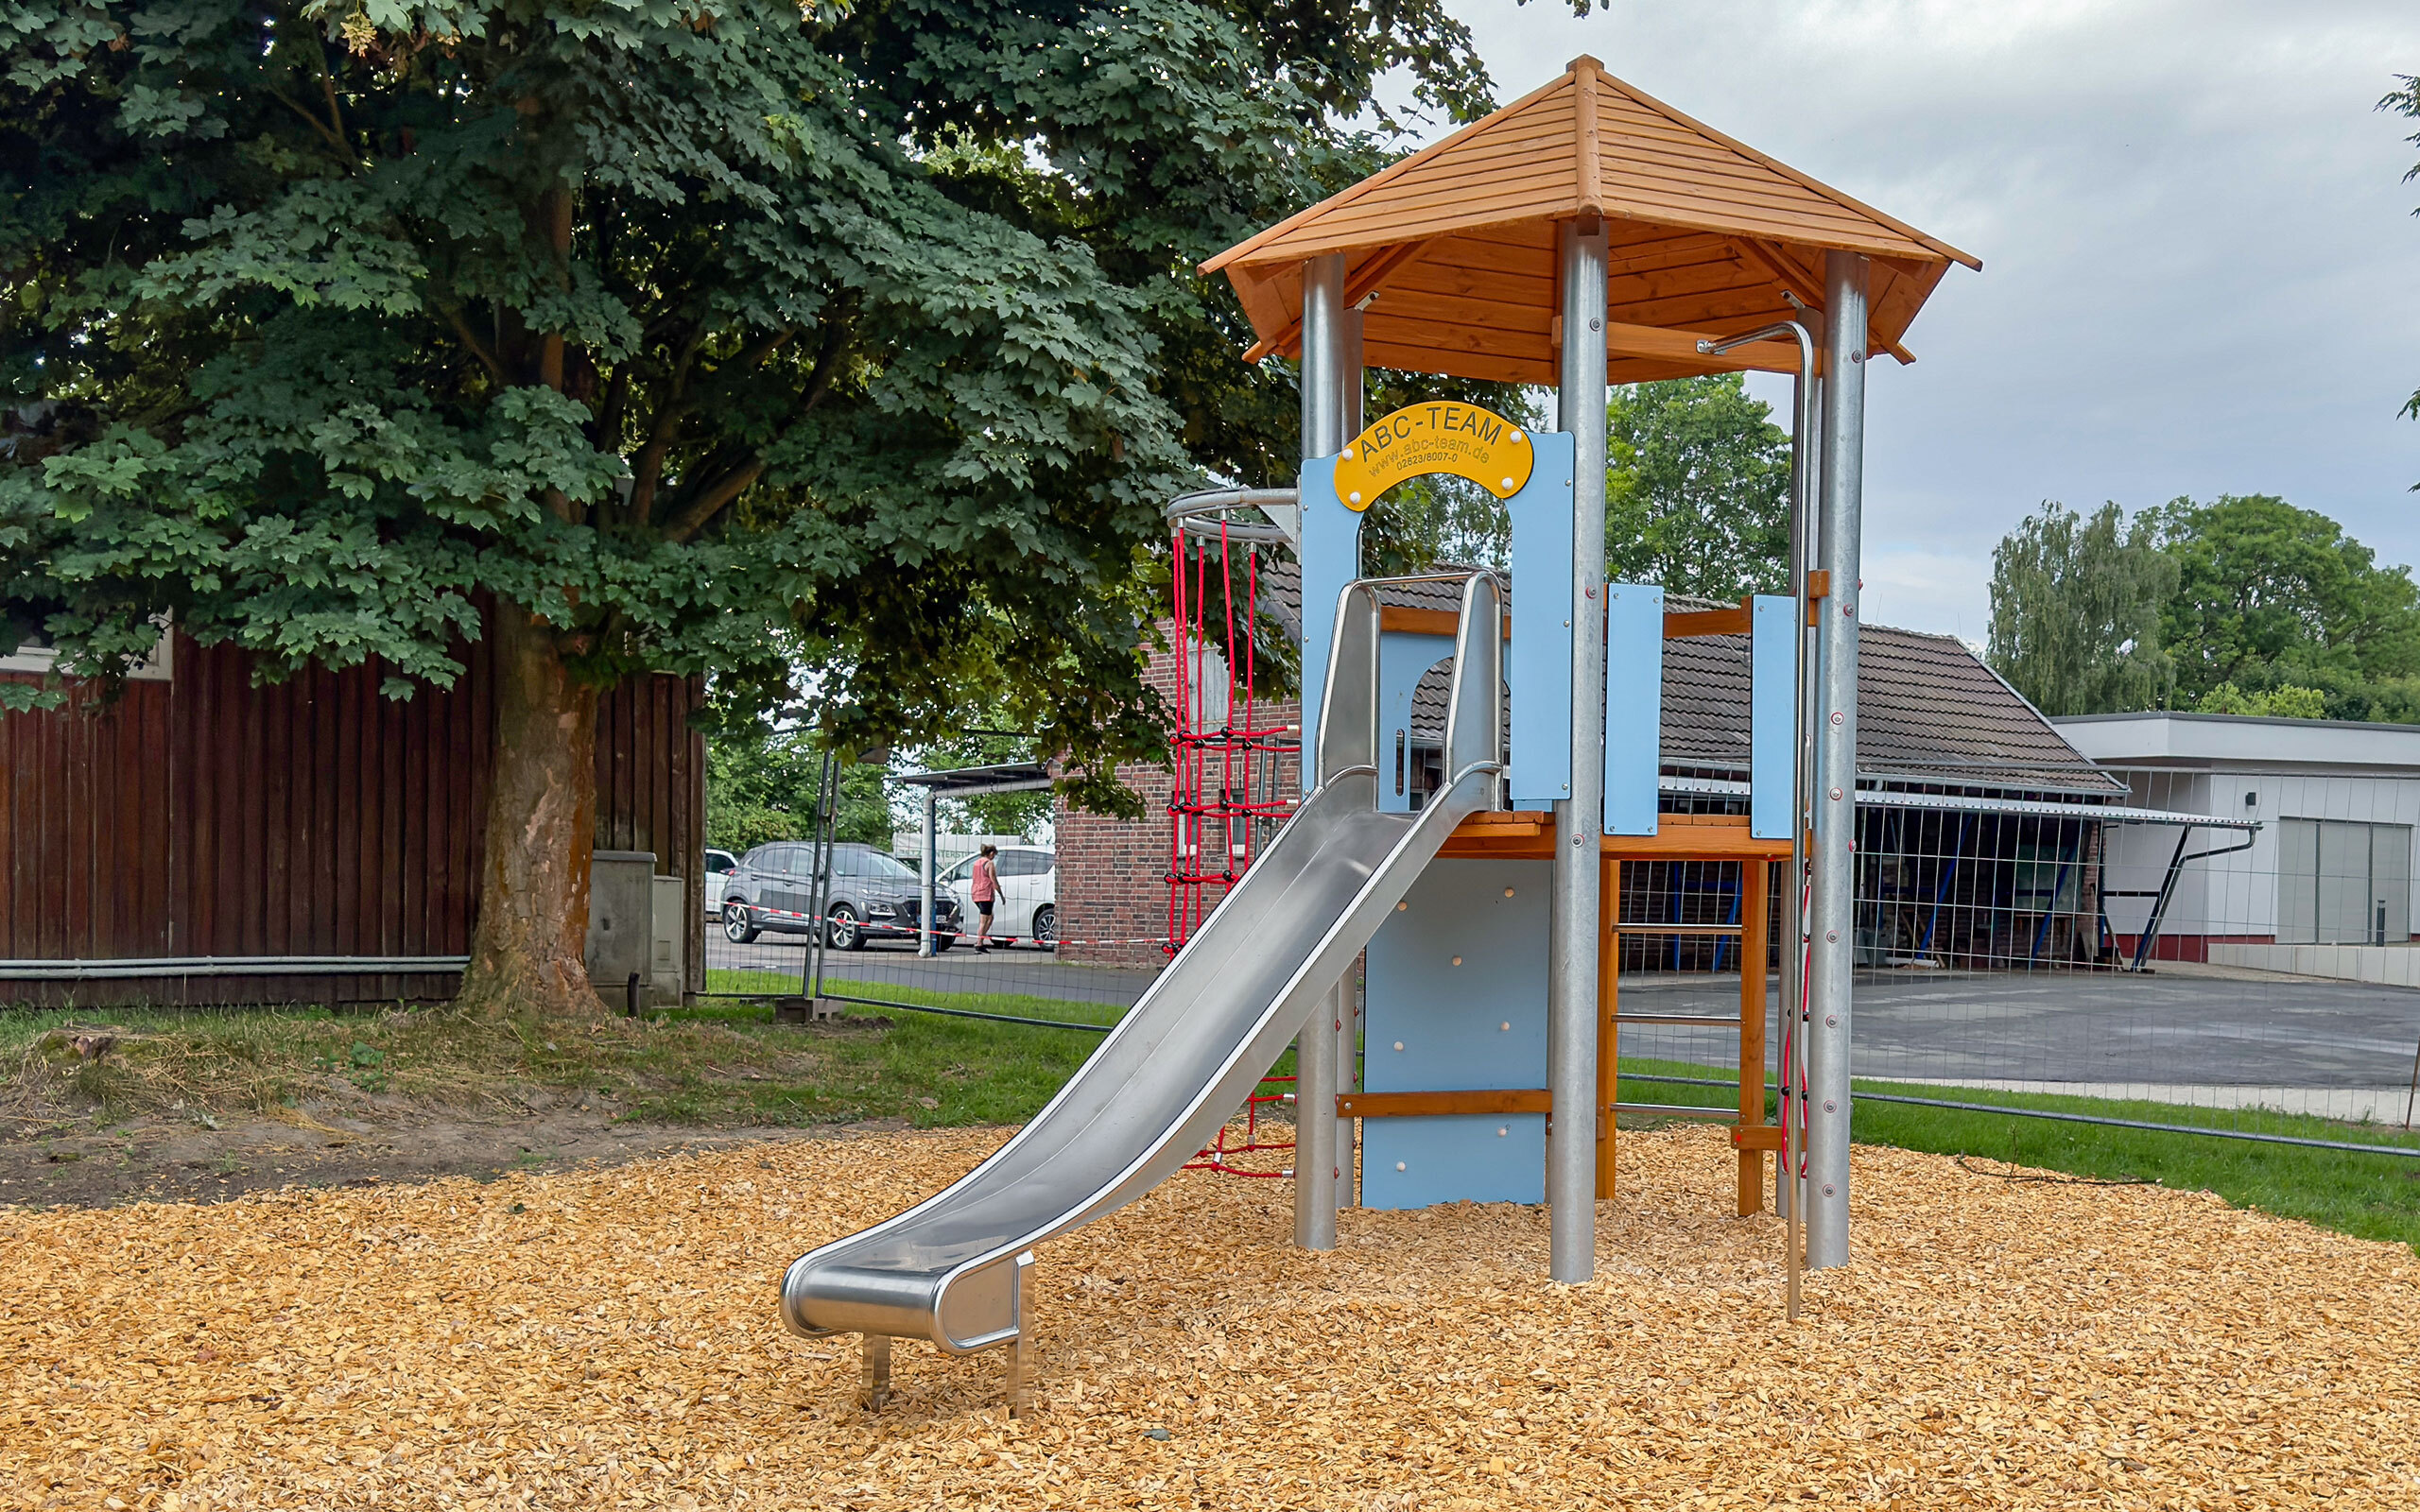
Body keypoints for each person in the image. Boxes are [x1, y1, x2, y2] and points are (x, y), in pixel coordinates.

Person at [970, 844, 999, 954]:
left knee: (990, 917)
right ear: (991, 853)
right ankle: (979, 943)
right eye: (994, 854)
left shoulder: (976, 863)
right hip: (985, 894)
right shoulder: (989, 863)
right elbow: (993, 880)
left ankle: (980, 939)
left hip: (975, 892)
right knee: (984, 920)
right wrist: (1000, 894)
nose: (994, 857)